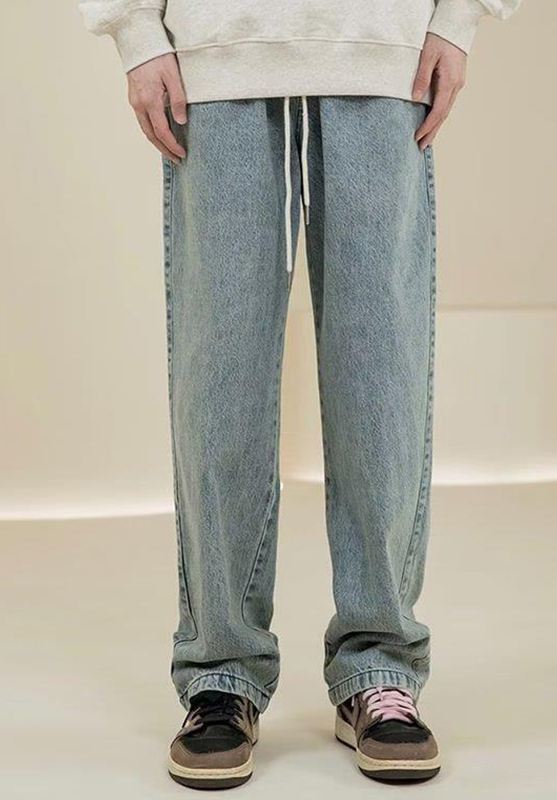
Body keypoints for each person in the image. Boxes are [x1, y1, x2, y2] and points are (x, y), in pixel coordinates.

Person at [80, 0, 520, 788]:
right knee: (220, 380)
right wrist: (136, 32)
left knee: (380, 377)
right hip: (213, 52)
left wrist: (458, 20)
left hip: (383, 48)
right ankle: (221, 671)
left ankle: (380, 664)